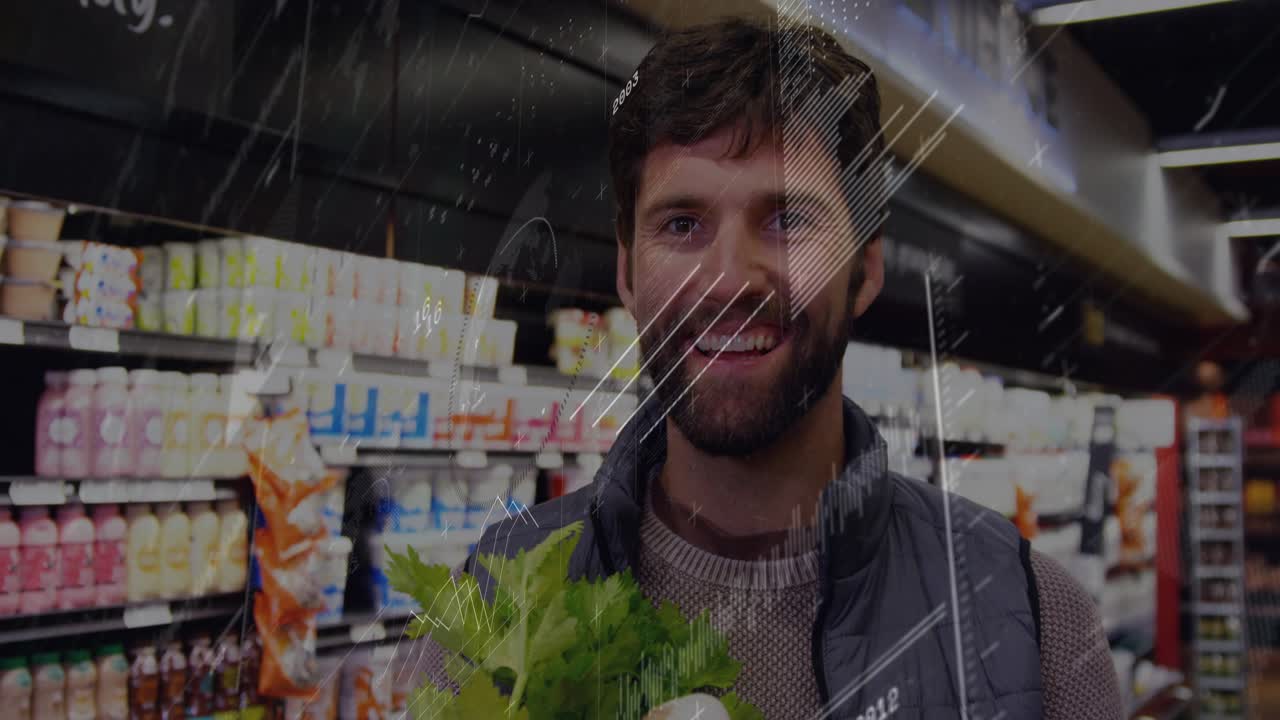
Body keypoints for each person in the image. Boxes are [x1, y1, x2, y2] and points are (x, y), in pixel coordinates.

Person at [465, 17, 1123, 719]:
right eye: (682, 224)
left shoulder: (1032, 622)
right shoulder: (498, 600)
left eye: (786, 220)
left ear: (865, 270)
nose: (728, 281)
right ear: (627, 274)